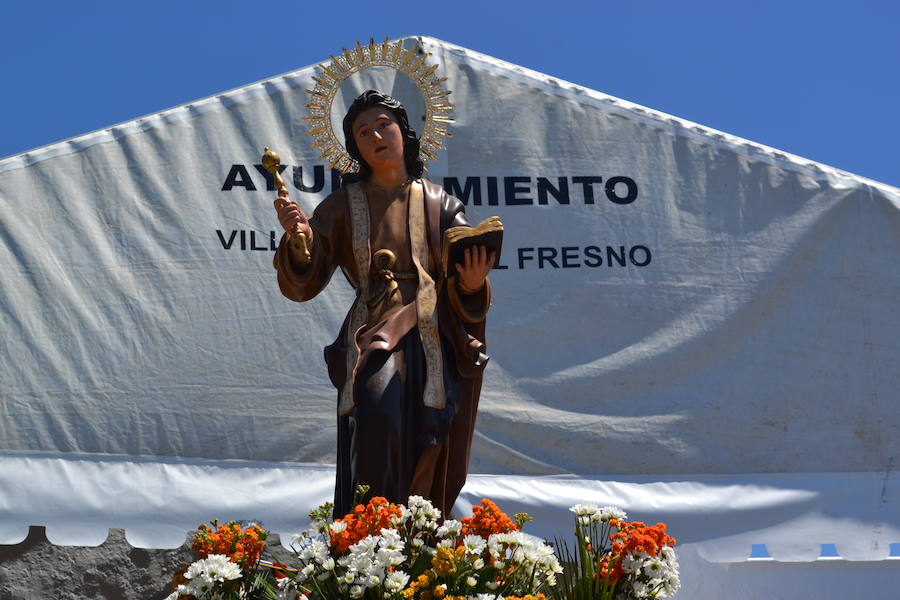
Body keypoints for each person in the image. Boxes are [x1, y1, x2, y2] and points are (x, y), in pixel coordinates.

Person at [273, 90, 495, 518]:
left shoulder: (442, 204)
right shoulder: (343, 205)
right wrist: (300, 238)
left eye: (382, 126)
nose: (375, 136)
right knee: (377, 412)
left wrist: (471, 282)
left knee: (430, 434)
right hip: (373, 330)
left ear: (403, 133)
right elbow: (307, 275)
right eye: (363, 132)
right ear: (354, 148)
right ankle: (371, 533)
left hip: (432, 334)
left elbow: (464, 268)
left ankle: (417, 535)